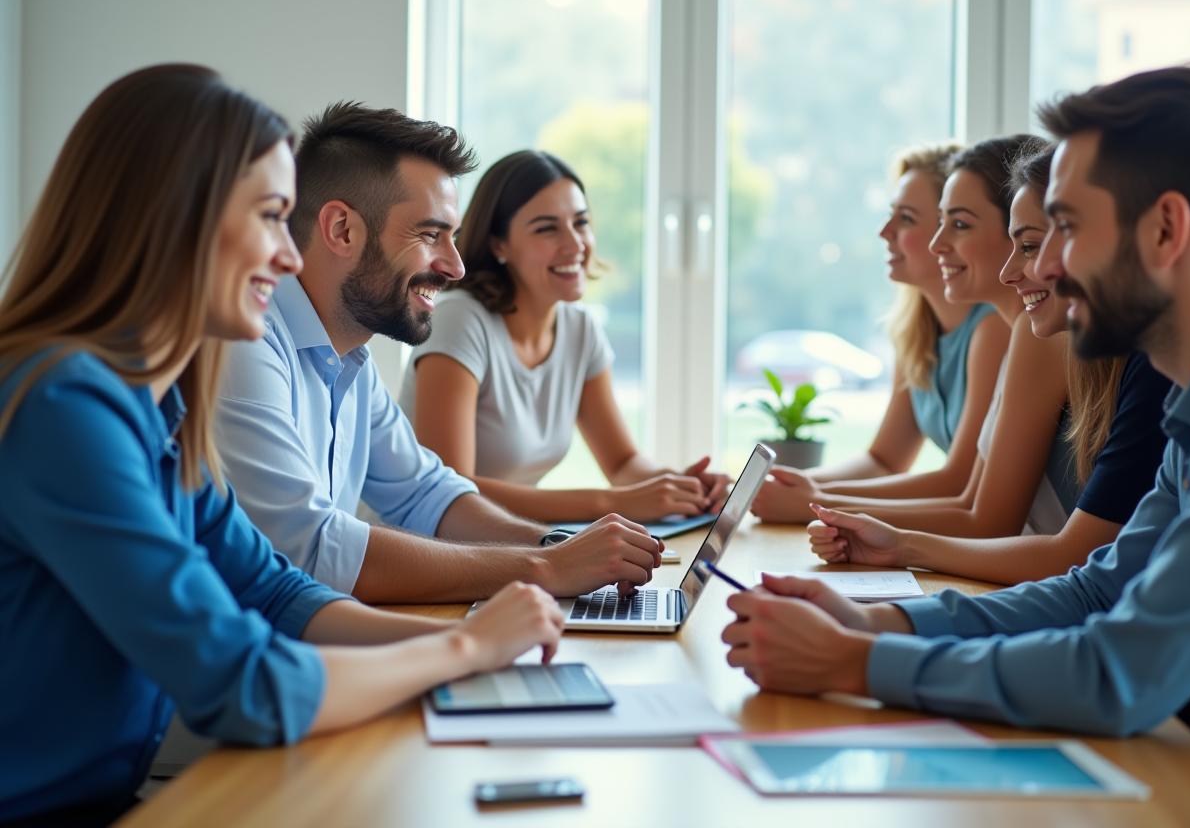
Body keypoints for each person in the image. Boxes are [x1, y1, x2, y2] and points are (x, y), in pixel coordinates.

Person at [0, 66, 566, 824]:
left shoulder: (158, 404)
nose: (292, 256)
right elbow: (245, 684)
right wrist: (462, 652)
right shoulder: (62, 405)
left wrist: (484, 642)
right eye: (271, 216)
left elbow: (276, 591)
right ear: (179, 218)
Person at [720, 63, 1190, 797]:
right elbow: (1094, 592)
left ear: (1166, 230)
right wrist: (877, 621)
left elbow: (1120, 674)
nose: (1044, 264)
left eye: (1067, 229)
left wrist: (852, 663)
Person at [215, 106, 661, 603]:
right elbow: (311, 547)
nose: (455, 266)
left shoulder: (350, 362)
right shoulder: (246, 343)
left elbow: (427, 494)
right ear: (342, 229)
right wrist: (547, 567)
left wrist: (558, 546)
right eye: (430, 235)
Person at [808, 145, 1171, 584]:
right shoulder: (1052, 339)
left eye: (1032, 245)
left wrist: (843, 513)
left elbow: (1024, 534)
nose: (1011, 270)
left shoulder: (1086, 350)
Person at [759, 135, 1084, 540]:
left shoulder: (1022, 333)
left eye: (959, 224)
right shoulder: (1017, 330)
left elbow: (983, 516)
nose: (937, 243)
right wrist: (819, 499)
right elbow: (961, 498)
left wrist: (826, 507)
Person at [398, 149, 731, 523]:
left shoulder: (580, 330)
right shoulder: (460, 320)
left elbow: (622, 463)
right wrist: (612, 503)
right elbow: (450, 490)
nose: (575, 244)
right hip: (425, 553)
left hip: (503, 545)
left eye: (581, 222)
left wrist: (679, 487)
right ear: (498, 245)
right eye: (547, 228)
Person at [749, 143, 1007, 523]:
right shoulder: (916, 330)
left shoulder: (994, 327)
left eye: (905, 219)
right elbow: (884, 459)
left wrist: (815, 501)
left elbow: (961, 481)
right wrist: (787, 484)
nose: (885, 232)